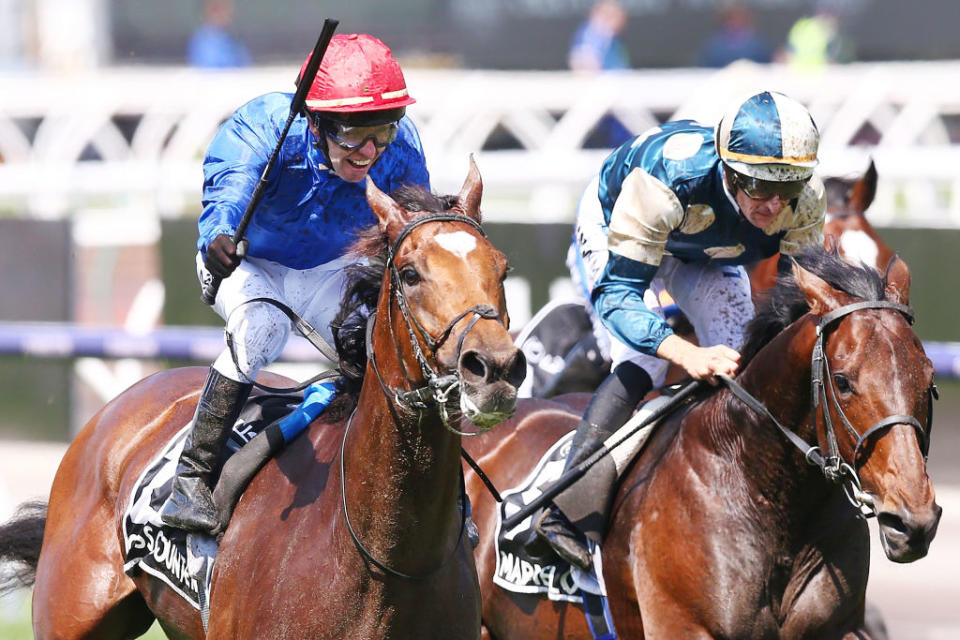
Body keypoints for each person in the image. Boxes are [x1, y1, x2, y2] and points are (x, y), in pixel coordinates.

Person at [536, 91, 826, 570]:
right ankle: (563, 507)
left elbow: (800, 304)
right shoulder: (666, 181)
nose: (775, 205)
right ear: (730, 172)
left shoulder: (805, 201)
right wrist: (683, 353)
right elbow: (619, 296)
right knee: (645, 358)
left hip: (701, 250)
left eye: (789, 186)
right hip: (620, 226)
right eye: (758, 186)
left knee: (740, 352)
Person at [160, 33, 430, 534]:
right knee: (261, 329)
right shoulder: (261, 128)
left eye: (383, 131)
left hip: (329, 269)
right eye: (355, 133)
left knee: (389, 343)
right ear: (315, 119)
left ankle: (422, 493)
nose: (370, 151)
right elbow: (229, 192)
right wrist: (219, 235)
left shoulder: (403, 146)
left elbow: (417, 230)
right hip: (245, 262)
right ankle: (190, 481)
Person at [568, 0, 632, 148]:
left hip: (617, 100)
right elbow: (583, 62)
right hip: (605, 101)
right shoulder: (595, 33)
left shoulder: (608, 36)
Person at [698, 3, 772, 68]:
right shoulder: (714, 48)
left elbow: (766, 67)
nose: (735, 23)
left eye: (738, 18)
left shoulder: (757, 46)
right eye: (731, 19)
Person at [187, 0, 252, 69]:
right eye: (219, 8)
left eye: (227, 8)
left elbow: (247, 67)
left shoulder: (232, 39)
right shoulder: (201, 41)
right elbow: (211, 71)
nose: (226, 13)